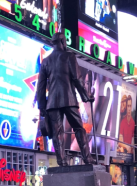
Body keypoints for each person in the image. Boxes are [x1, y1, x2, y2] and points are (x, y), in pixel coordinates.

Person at [35, 32, 94, 165]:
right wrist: (86, 96)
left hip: (52, 103)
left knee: (57, 133)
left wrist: (42, 106)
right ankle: (87, 158)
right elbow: (77, 79)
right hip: (69, 100)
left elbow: (40, 87)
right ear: (62, 42)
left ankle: (61, 161)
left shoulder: (45, 62)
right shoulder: (69, 56)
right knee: (79, 128)